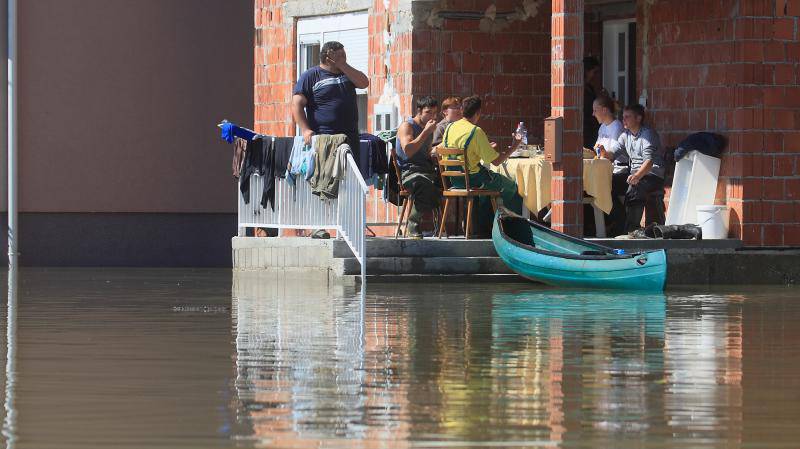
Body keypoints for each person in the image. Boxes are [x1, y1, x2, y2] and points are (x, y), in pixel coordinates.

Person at [291, 41, 369, 238]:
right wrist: (305, 129)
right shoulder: (311, 76)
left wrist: (343, 65)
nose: (345, 58)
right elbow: (297, 104)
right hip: (324, 138)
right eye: (340, 56)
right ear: (328, 56)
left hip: (349, 137)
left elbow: (364, 83)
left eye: (345, 55)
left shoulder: (347, 73)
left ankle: (348, 227)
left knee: (350, 181)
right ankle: (318, 226)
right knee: (323, 180)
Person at [441, 95, 523, 234]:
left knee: (486, 195)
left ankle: (484, 230)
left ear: (462, 111)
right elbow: (496, 161)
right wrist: (514, 146)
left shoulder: (450, 128)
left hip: (454, 179)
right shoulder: (476, 131)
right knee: (512, 189)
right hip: (474, 179)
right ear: (478, 113)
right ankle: (513, 233)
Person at [601, 104, 665, 233]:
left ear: (638, 118)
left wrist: (637, 176)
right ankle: (621, 222)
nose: (623, 120)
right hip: (635, 174)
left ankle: (632, 229)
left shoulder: (647, 134)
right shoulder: (626, 135)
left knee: (635, 187)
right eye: (623, 117)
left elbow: (649, 161)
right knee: (606, 185)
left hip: (652, 174)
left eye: (627, 117)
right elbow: (613, 154)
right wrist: (603, 152)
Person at [395, 96, 441, 239]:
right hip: (409, 171)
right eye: (428, 112)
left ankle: (440, 227)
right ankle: (412, 224)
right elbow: (408, 150)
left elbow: (425, 151)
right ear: (419, 111)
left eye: (435, 113)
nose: (432, 117)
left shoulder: (428, 128)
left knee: (446, 183)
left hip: (425, 169)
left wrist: (436, 151)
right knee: (424, 183)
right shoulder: (407, 126)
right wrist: (426, 132)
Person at [591, 95, 628, 236]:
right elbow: (598, 149)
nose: (593, 114)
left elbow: (610, 154)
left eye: (595, 110)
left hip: (620, 169)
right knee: (593, 185)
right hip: (605, 169)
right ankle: (606, 225)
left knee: (603, 186)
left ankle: (621, 223)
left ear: (605, 110)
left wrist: (601, 152)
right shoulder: (602, 127)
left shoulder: (617, 127)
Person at [583, 56, 602, 149]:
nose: (595, 75)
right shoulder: (580, 87)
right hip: (586, 125)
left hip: (593, 124)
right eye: (594, 72)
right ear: (587, 71)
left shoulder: (590, 87)